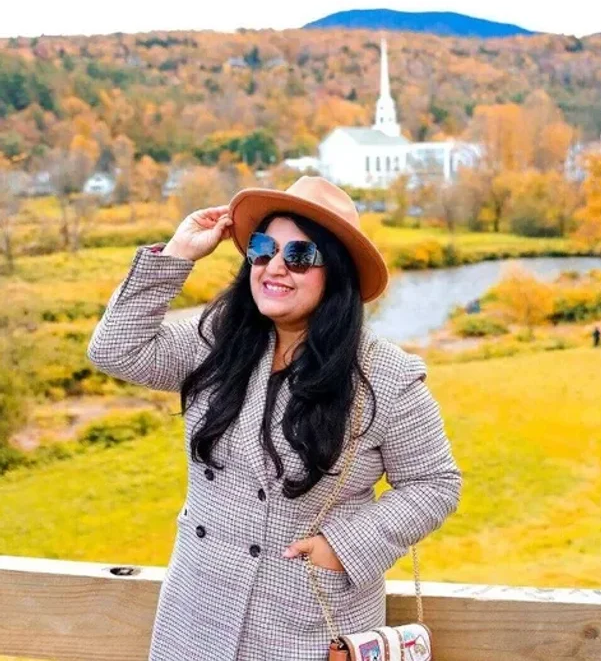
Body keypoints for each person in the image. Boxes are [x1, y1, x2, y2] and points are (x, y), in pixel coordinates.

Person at [87, 176, 462, 661]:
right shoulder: (217, 341)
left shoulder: (384, 375)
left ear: (337, 274)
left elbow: (435, 483)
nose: (275, 267)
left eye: (300, 256)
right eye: (263, 250)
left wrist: (343, 546)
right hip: (196, 615)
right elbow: (115, 350)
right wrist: (177, 254)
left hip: (307, 621)